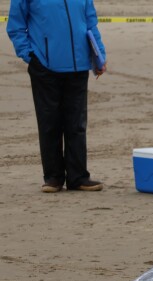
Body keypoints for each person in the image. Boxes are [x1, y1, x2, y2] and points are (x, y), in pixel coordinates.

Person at [7, 0, 107, 193]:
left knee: (76, 124)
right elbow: (16, 26)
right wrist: (29, 55)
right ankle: (53, 177)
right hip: (44, 66)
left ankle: (78, 177)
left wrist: (99, 55)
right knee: (49, 123)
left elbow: (90, 23)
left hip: (78, 66)